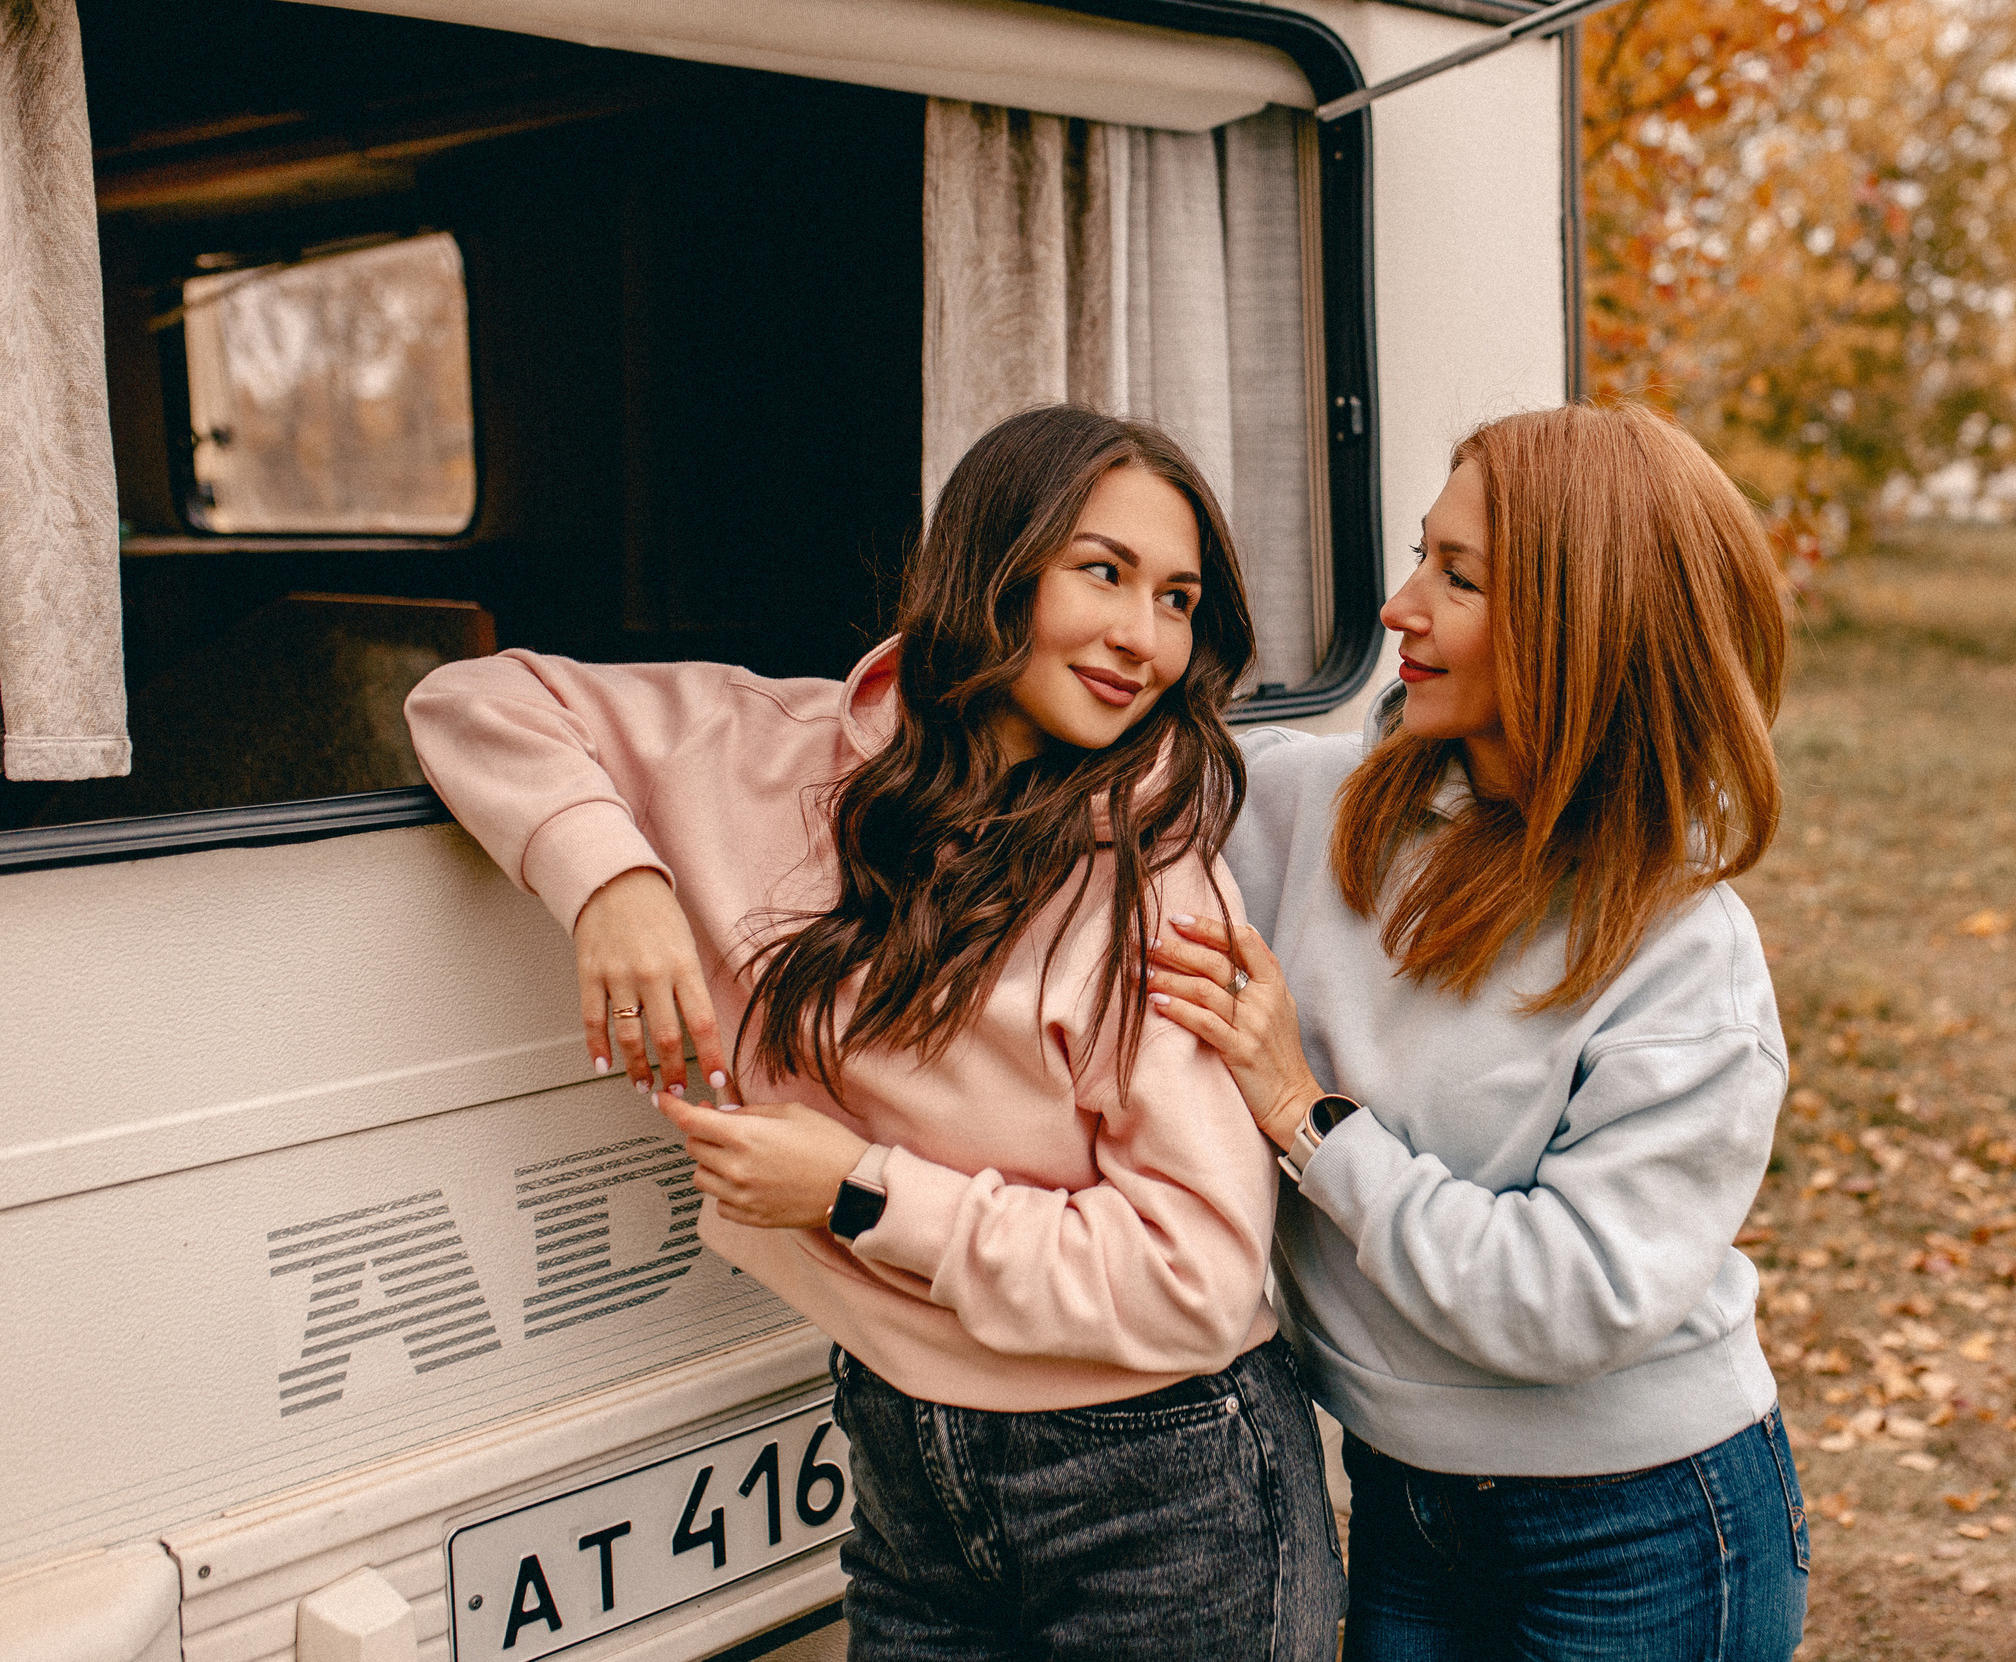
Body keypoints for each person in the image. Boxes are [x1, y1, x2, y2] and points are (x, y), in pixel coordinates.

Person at [406, 405, 1346, 1660]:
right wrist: (611, 883)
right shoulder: (770, 752)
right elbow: (471, 699)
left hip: (1161, 1480)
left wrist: (861, 1193)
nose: (1143, 638)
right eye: (1103, 573)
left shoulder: (1152, 881)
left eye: (1177, 600)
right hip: (903, 1445)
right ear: (991, 563)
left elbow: (1193, 1281)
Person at [1145, 402, 1808, 1660]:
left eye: (1459, 579)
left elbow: (1566, 1303)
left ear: (1579, 622)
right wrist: (636, 872)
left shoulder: (1680, 948)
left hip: (1644, 1531)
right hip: (1406, 1498)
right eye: (1418, 556)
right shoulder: (1309, 807)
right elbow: (1028, 782)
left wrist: (1307, 1120)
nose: (1399, 607)